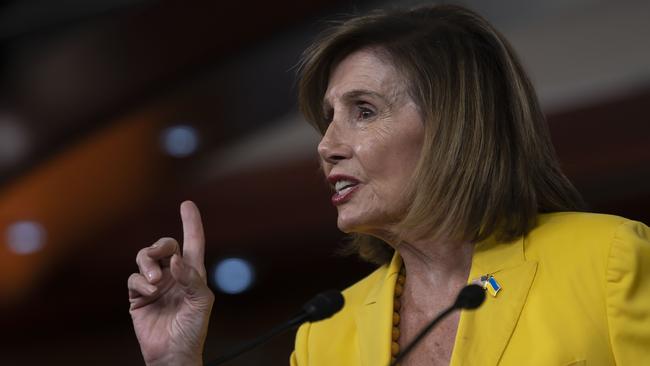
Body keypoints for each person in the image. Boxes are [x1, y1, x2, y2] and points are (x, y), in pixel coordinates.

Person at [128, 4, 650, 366]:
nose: (326, 145)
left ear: (454, 125)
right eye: (327, 119)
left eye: (364, 111)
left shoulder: (608, 261)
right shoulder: (325, 334)